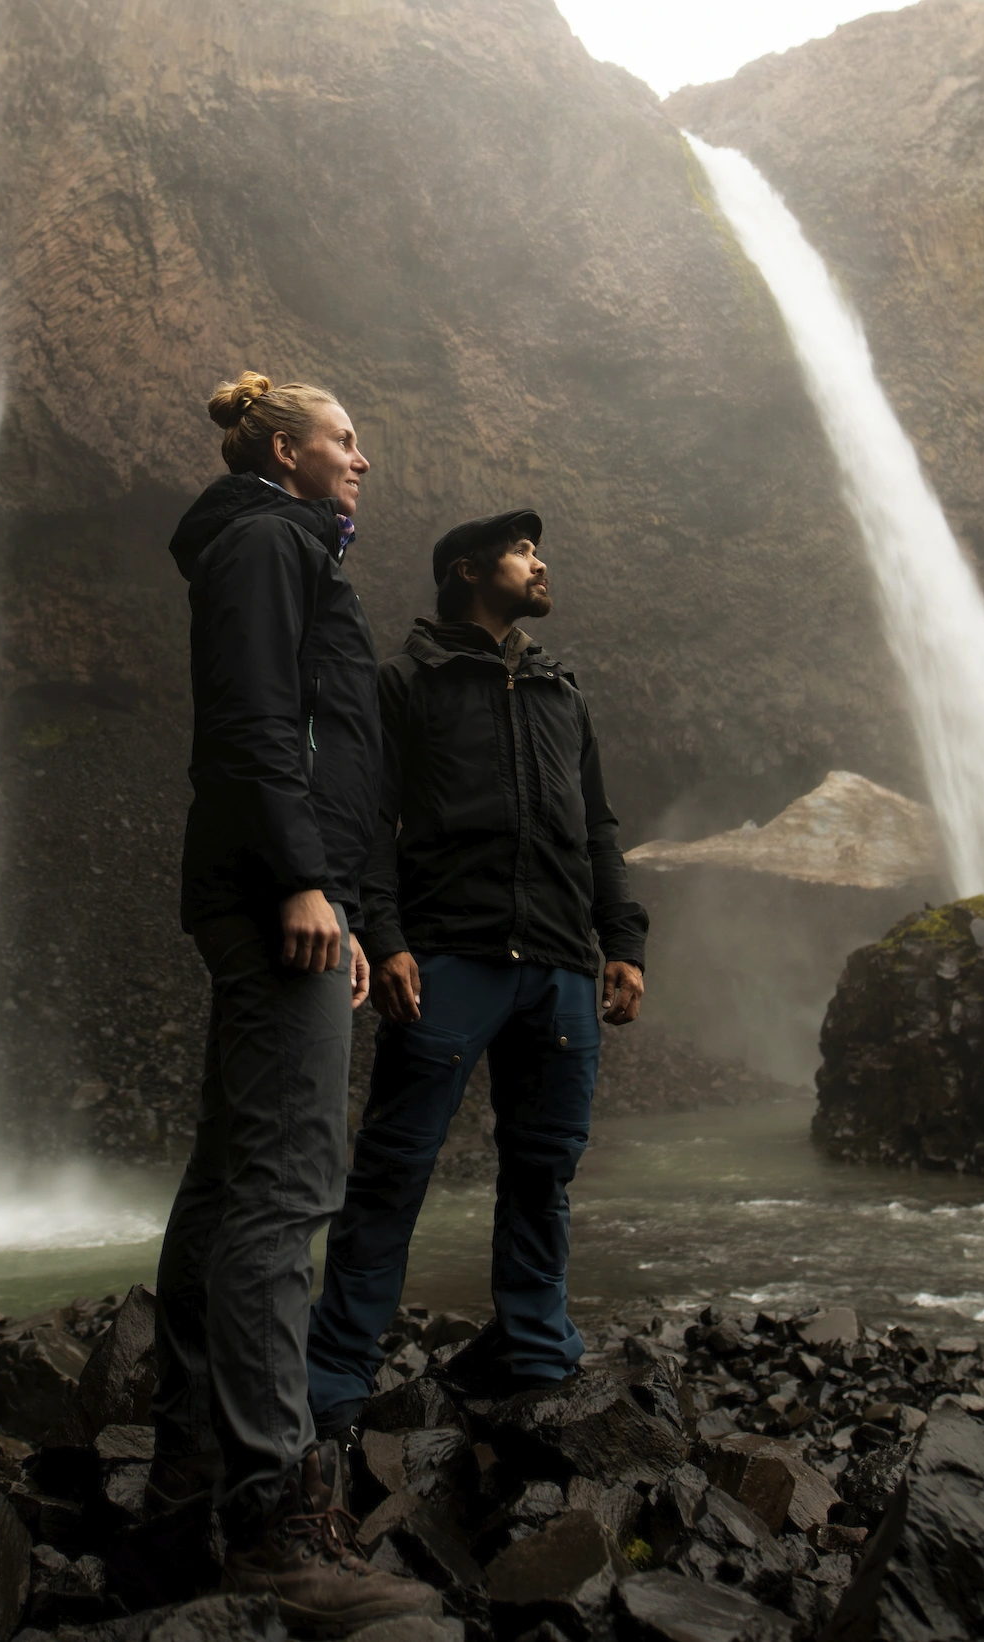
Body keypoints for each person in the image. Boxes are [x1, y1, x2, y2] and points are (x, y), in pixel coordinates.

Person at [149, 371, 438, 1632]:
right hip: (276, 897)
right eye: (344, 439)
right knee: (286, 1190)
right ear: (285, 448)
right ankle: (276, 1520)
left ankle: (187, 1476)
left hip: (283, 888)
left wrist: (358, 904)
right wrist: (302, 884)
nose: (362, 460)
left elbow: (339, 753)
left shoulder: (281, 542)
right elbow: (255, 722)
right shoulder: (268, 539)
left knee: (227, 1181)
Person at [306, 510, 649, 1431]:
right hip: (447, 957)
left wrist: (621, 941)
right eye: (522, 551)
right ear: (467, 570)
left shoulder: (561, 691)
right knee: (393, 1167)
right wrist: (385, 939)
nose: (540, 564)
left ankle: (537, 1351)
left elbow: (599, 828)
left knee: (545, 1169)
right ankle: (335, 1376)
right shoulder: (404, 685)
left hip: (560, 965)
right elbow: (369, 821)